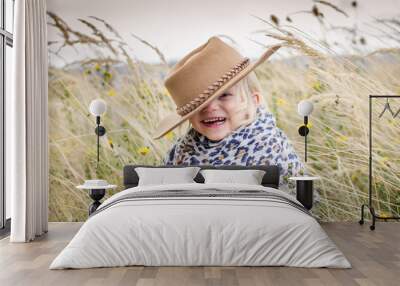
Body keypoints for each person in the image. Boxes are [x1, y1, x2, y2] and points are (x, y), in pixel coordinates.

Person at [153, 36, 305, 192]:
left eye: (224, 95)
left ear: (254, 100)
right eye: (197, 104)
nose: (209, 108)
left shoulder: (267, 145)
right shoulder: (183, 150)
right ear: (188, 115)